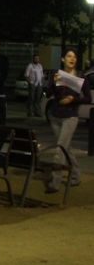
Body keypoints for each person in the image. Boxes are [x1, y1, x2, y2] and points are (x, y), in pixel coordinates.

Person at [45, 48, 90, 193]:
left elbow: (88, 98)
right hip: (55, 116)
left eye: (74, 57)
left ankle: (55, 182)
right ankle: (76, 175)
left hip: (70, 117)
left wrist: (73, 99)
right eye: (69, 56)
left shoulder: (81, 77)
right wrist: (53, 82)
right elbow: (48, 94)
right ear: (63, 59)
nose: (72, 59)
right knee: (66, 148)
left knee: (59, 149)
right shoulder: (57, 74)